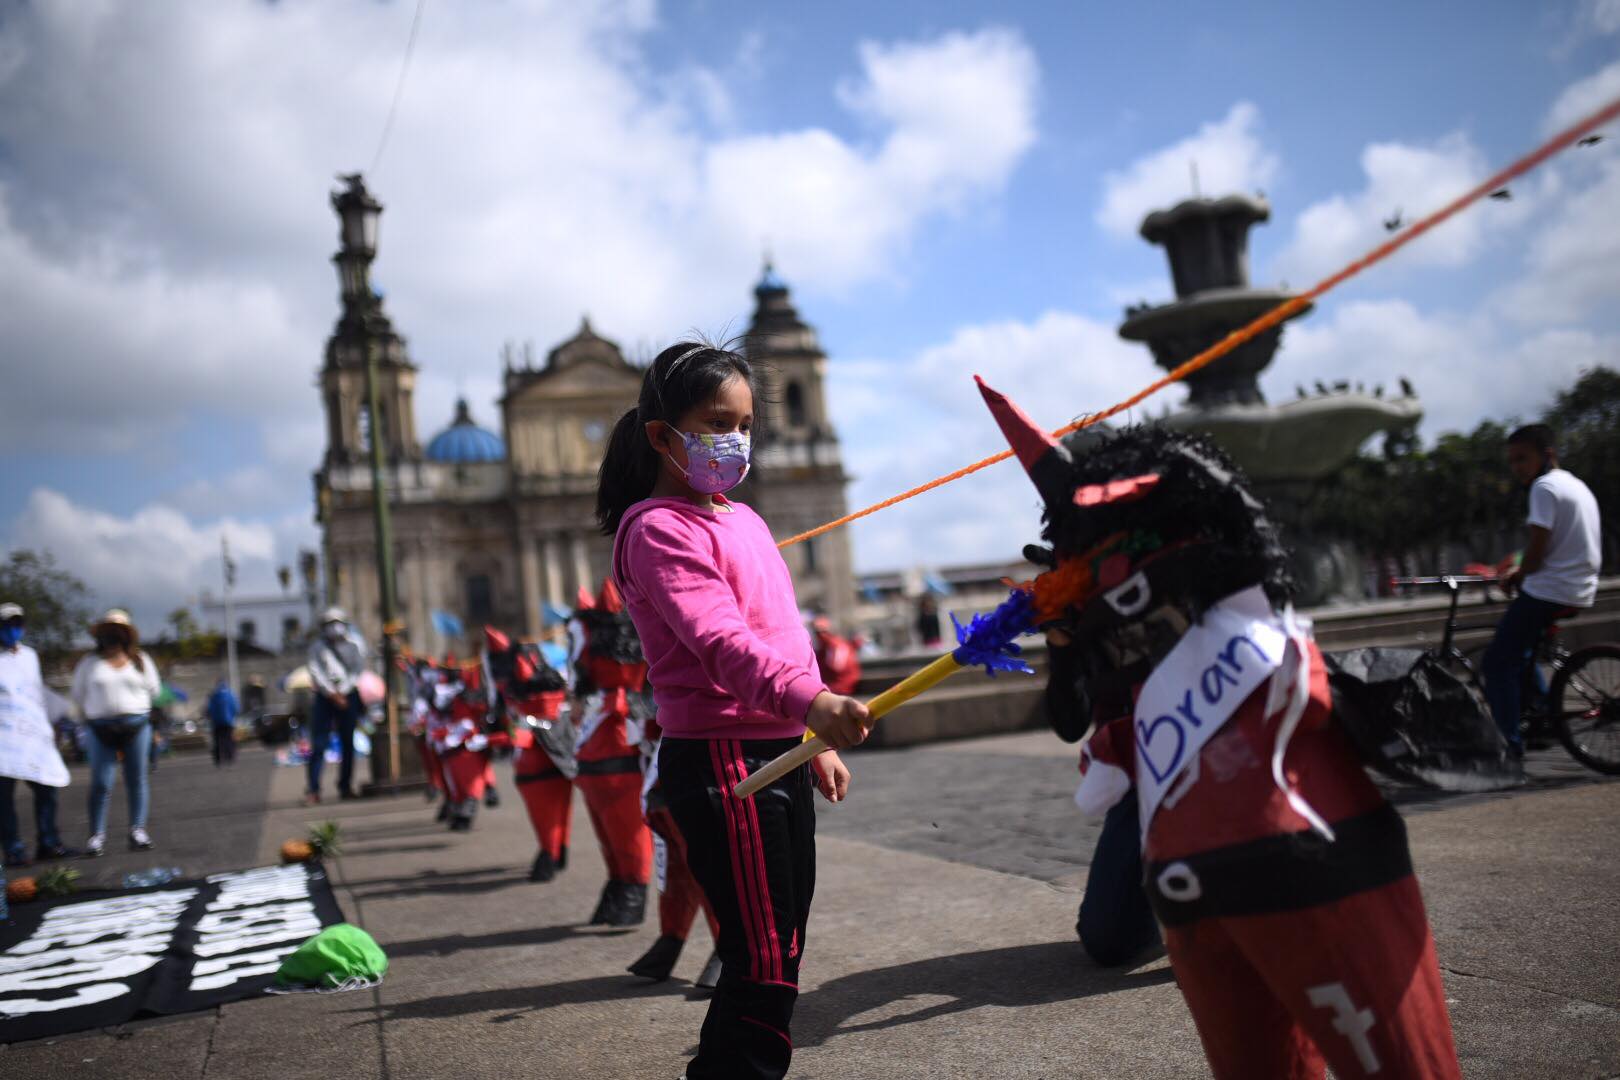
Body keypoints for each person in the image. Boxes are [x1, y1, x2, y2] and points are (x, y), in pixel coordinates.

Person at [977, 377, 1462, 1079]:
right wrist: (1063, 638)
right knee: (1110, 940)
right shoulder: (1103, 626)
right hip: (1178, 841)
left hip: (1300, 851)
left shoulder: (1260, 634)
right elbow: (1074, 721)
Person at [601, 340, 865, 1080]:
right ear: (661, 436)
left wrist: (817, 736)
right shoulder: (654, 528)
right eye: (719, 423)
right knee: (764, 961)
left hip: (780, 754)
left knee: (778, 950)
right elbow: (721, 642)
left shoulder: (744, 520)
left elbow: (787, 631)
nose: (737, 441)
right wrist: (814, 703)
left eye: (746, 424)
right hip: (724, 763)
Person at [1483, 424, 1602, 754]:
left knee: (1496, 664)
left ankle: (1509, 748)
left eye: (1522, 459)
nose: (1517, 467)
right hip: (1577, 588)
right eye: (1512, 461)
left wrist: (1516, 575)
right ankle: (1543, 722)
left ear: (1547, 455)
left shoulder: (1544, 488)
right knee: (1521, 654)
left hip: (1549, 589)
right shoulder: (1575, 485)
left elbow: (1536, 552)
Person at [70, 609, 161, 856]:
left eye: (117, 631)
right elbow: (77, 694)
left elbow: (154, 689)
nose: (113, 636)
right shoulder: (89, 664)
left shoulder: (140, 660)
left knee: (137, 778)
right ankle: (97, 834)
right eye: (109, 632)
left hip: (136, 725)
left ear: (126, 635)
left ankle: (137, 830)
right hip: (101, 728)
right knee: (101, 781)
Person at [0, 602, 74, 865]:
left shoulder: (30, 656)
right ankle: (13, 848)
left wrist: (49, 727)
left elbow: (35, 696)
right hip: (4, 741)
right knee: (3, 800)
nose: (13, 630)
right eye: (7, 625)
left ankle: (49, 842)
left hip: (32, 736)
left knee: (46, 788)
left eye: (17, 624)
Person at [306, 607, 368, 804]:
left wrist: (344, 691)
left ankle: (345, 785)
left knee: (347, 742)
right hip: (325, 697)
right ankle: (314, 789)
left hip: (348, 695)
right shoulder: (317, 647)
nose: (334, 628)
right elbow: (315, 671)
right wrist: (331, 693)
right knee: (319, 743)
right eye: (329, 624)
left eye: (337, 623)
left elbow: (358, 669)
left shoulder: (355, 644)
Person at [811, 615, 862, 696]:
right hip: (831, 690)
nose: (820, 635)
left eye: (822, 632)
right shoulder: (823, 649)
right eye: (817, 632)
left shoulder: (837, 646)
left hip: (840, 690)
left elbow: (837, 667)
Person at [206, 678, 240, 767]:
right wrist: (233, 717)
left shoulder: (214, 696)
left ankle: (219, 760)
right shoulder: (230, 695)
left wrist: (211, 717)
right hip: (229, 722)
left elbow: (209, 709)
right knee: (229, 740)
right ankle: (230, 758)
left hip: (217, 723)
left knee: (218, 741)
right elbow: (236, 708)